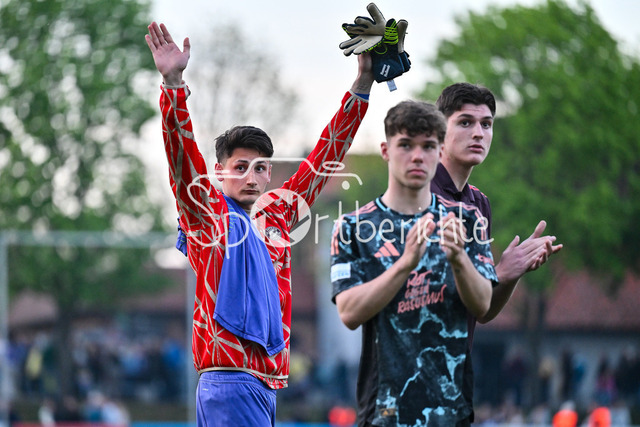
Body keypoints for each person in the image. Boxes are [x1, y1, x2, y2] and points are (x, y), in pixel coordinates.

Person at [145, 21, 374, 426]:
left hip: (264, 385)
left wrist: (363, 83)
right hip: (229, 379)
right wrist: (174, 86)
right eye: (240, 167)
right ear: (219, 172)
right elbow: (181, 157)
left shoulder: (278, 216)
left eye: (261, 167)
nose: (251, 177)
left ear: (270, 174)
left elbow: (324, 159)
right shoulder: (207, 214)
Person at [330, 100, 498, 426]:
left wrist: (459, 259)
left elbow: (482, 305)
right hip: (383, 412)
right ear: (386, 150)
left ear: (440, 151)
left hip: (452, 411)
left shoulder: (467, 219)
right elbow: (349, 313)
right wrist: (404, 264)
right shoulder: (352, 227)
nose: (417, 156)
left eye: (428, 146)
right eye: (406, 145)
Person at [432, 82, 564, 423]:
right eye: (465, 122)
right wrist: (497, 273)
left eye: (486, 124)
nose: (478, 133)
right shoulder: (418, 192)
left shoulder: (479, 204)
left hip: (457, 377)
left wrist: (511, 274)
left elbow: (483, 309)